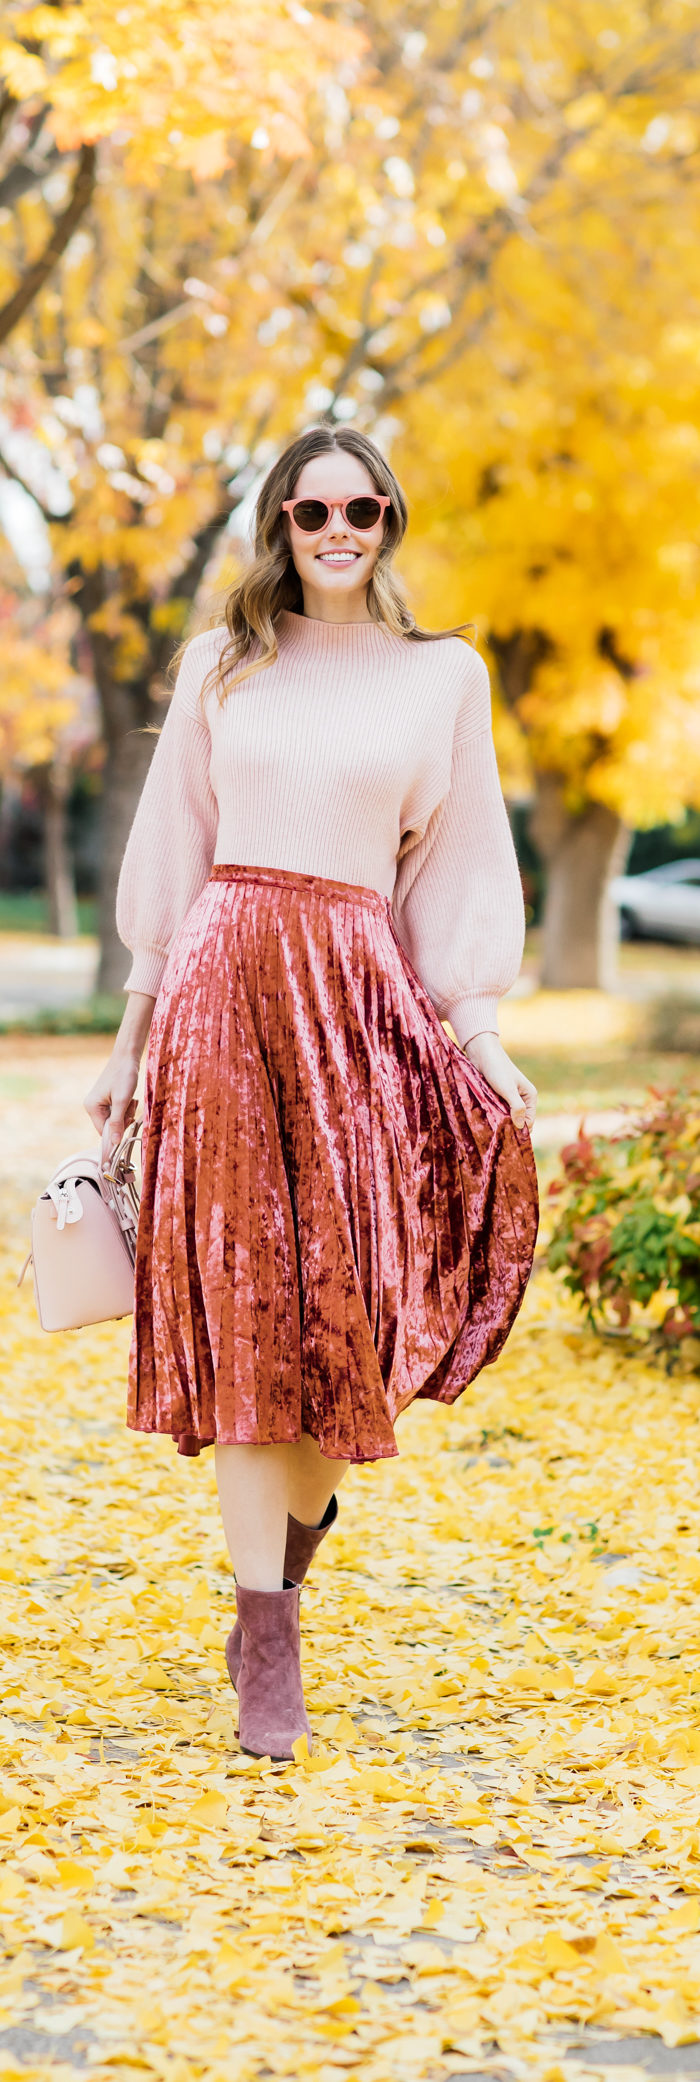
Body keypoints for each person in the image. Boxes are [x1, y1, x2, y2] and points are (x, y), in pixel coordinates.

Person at [85, 425, 539, 1762]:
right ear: (278, 524)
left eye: (363, 509)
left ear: (391, 520)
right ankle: (264, 1643)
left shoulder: (441, 677)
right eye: (311, 510)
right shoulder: (221, 664)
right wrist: (128, 1036)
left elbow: (461, 861)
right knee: (243, 1313)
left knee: (355, 1318)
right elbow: (174, 853)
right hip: (224, 993)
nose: (337, 530)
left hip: (358, 1002)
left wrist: (483, 1023)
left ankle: (287, 1551)